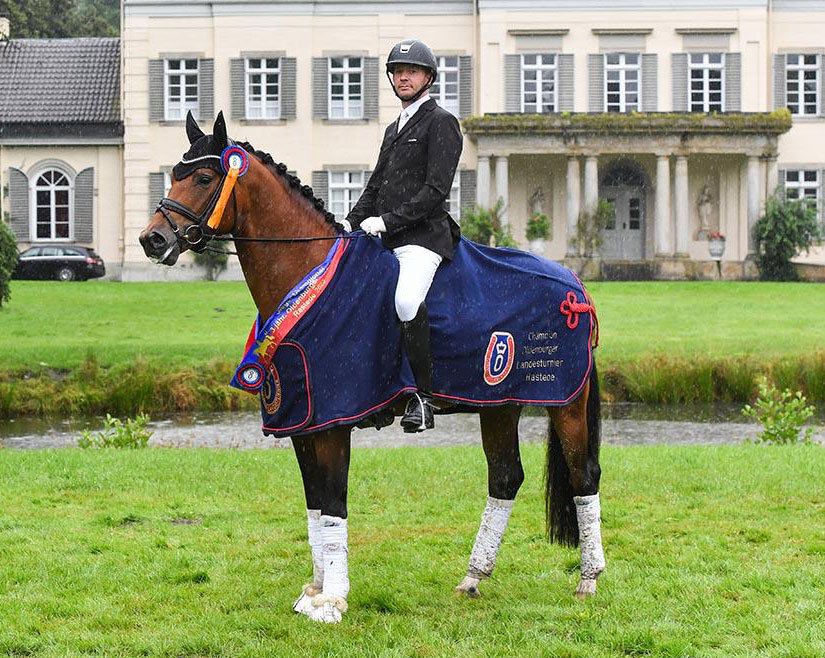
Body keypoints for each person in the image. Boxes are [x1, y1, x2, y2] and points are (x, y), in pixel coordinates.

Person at [341, 38, 463, 432]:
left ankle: (424, 399)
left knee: (407, 301)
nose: (403, 76)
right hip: (388, 238)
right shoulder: (395, 127)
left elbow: (435, 191)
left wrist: (389, 221)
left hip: (423, 238)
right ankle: (377, 392)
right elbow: (375, 186)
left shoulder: (441, 121)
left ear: (428, 77)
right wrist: (349, 222)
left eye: (411, 70)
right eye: (397, 71)